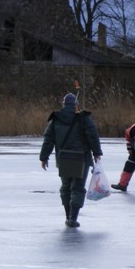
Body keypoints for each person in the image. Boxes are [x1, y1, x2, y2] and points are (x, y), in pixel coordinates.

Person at [39, 92, 103, 228]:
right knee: (78, 188)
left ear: (64, 105)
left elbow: (48, 140)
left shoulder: (55, 119)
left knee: (66, 188)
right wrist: (97, 152)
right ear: (75, 106)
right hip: (81, 158)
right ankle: (73, 218)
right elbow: (92, 136)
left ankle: (68, 216)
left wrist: (44, 157)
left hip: (63, 159)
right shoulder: (83, 118)